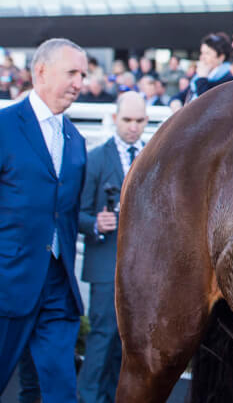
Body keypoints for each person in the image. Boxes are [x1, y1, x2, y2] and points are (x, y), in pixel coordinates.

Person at [0, 38, 89, 401]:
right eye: (72, 73)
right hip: (0, 288)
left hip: (57, 290)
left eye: (83, 74)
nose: (79, 82)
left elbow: (66, 216)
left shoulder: (75, 139)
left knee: (60, 390)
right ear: (41, 72)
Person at [77, 92, 148, 403]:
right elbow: (75, 213)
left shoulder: (152, 154)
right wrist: (94, 222)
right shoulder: (96, 158)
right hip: (106, 264)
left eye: (140, 120)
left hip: (143, 269)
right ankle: (89, 399)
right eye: (127, 120)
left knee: (131, 343)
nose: (133, 127)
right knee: (102, 338)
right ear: (114, 119)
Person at [191, 32, 233, 99]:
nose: (202, 57)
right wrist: (175, 101)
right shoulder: (200, 75)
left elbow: (206, 101)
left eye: (207, 53)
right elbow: (181, 95)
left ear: (221, 57)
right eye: (202, 53)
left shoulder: (228, 80)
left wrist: (202, 78)